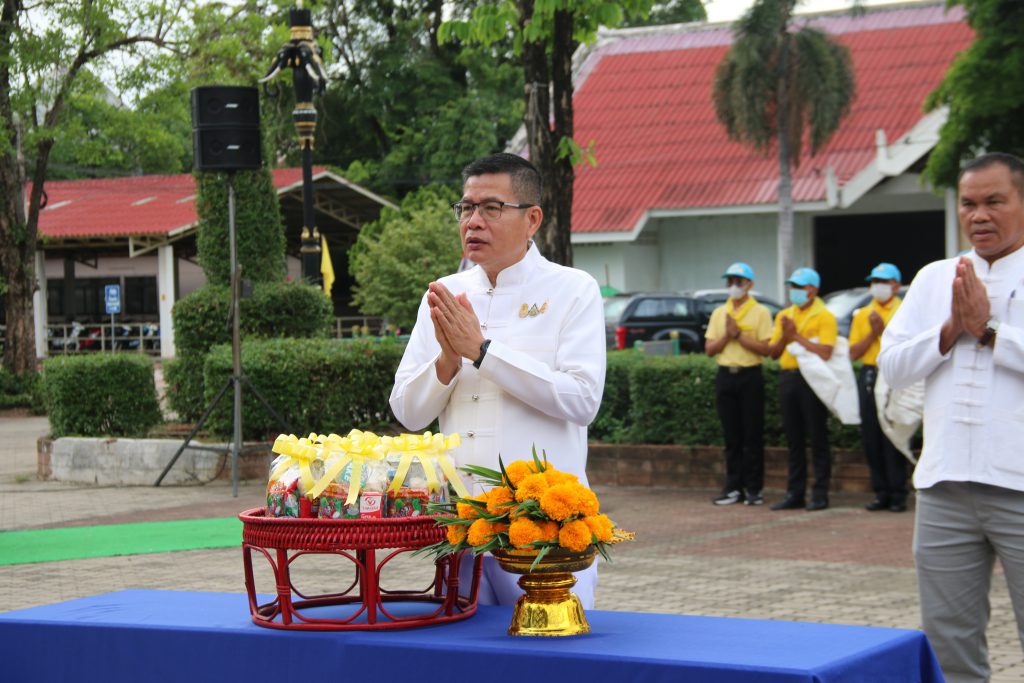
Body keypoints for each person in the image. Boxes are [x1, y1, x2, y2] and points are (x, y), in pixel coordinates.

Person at [389, 152, 607, 608]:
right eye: (466, 208)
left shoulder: (572, 289)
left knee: (548, 645)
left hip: (543, 532)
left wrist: (483, 352)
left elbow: (583, 400)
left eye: (491, 208)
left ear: (532, 219)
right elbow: (408, 412)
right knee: (461, 648)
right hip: (460, 529)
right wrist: (448, 360)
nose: (473, 221)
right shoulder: (445, 294)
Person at [878, 152, 1024, 683]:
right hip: (944, 486)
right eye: (968, 204)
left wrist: (989, 332)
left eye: (994, 201)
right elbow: (893, 367)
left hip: (1019, 483)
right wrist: (949, 330)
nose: (978, 215)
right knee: (948, 644)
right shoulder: (934, 278)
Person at [766, 267, 838, 512]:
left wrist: (795, 336)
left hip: (813, 381)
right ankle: (794, 493)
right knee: (794, 439)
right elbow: (773, 352)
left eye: (800, 286)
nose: (794, 291)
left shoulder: (824, 316)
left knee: (817, 437)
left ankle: (820, 494)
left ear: (813, 289)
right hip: (788, 378)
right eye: (792, 286)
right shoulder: (784, 315)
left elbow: (826, 352)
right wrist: (785, 336)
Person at [704, 262, 773, 506]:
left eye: (739, 281)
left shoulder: (760, 312)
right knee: (731, 437)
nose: (734, 286)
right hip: (726, 375)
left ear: (750, 284)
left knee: (752, 435)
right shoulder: (719, 313)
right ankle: (733, 488)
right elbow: (710, 349)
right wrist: (727, 334)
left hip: (750, 375)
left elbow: (765, 348)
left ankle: (754, 489)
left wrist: (738, 335)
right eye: (730, 281)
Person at [848, 262, 908, 513]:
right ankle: (880, 491)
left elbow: (907, 348)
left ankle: (898, 493)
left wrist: (882, 332)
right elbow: (853, 352)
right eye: (874, 282)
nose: (877, 286)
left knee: (892, 433)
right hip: (870, 373)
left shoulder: (904, 310)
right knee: (871, 434)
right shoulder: (863, 313)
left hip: (893, 374)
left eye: (883, 282)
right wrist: (873, 333)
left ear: (895, 285)